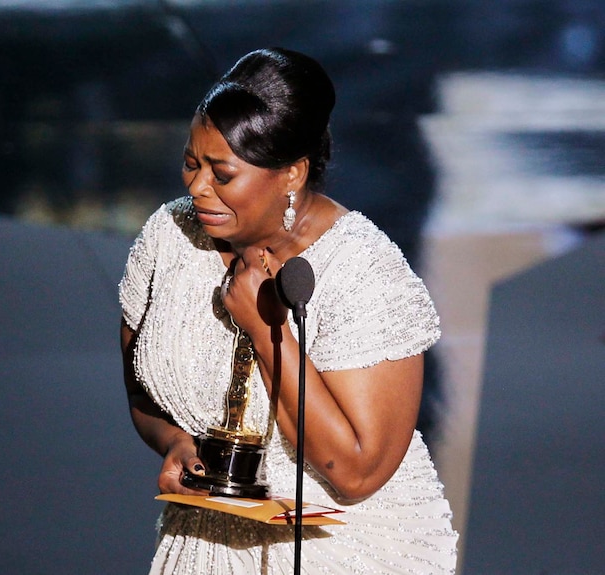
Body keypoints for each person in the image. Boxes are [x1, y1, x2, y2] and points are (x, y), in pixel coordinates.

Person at [119, 47, 458, 574]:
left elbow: (355, 473)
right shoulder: (170, 237)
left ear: (292, 174)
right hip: (204, 547)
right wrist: (175, 443)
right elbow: (143, 391)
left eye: (222, 174)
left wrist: (263, 328)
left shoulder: (361, 270)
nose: (197, 186)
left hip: (340, 549)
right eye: (191, 162)